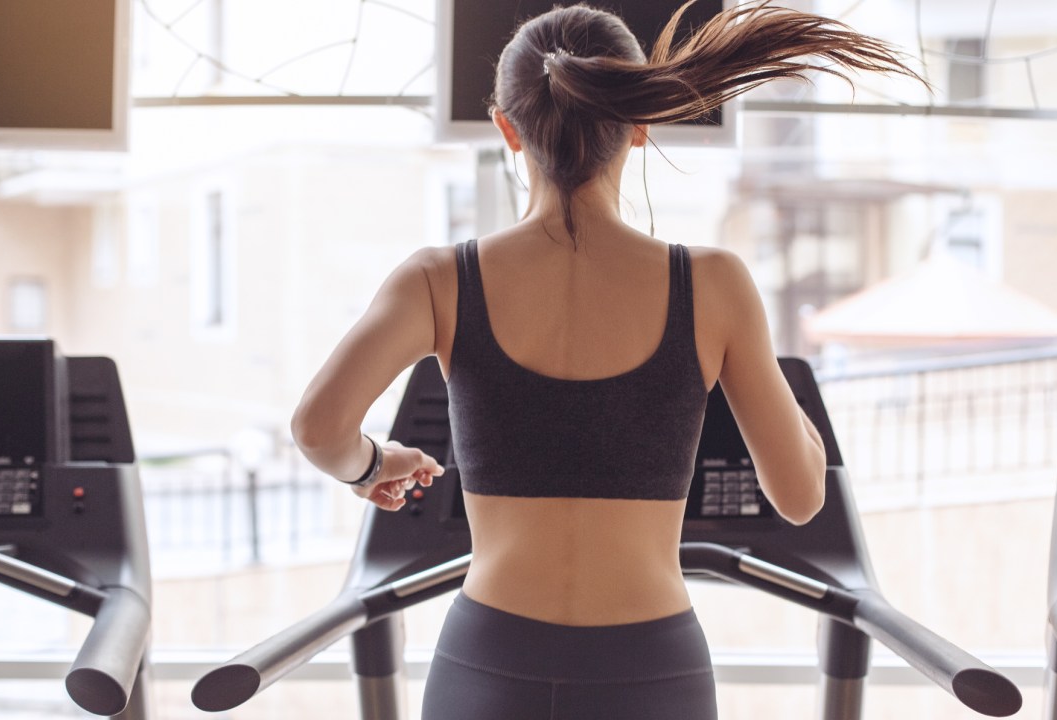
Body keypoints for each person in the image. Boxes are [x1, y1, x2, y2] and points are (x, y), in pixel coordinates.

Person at [290, 2, 923, 717]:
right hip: (652, 669)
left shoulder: (439, 281)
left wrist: (375, 466)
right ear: (642, 126)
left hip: (489, 662)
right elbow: (801, 497)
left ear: (506, 128)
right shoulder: (713, 285)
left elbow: (318, 429)